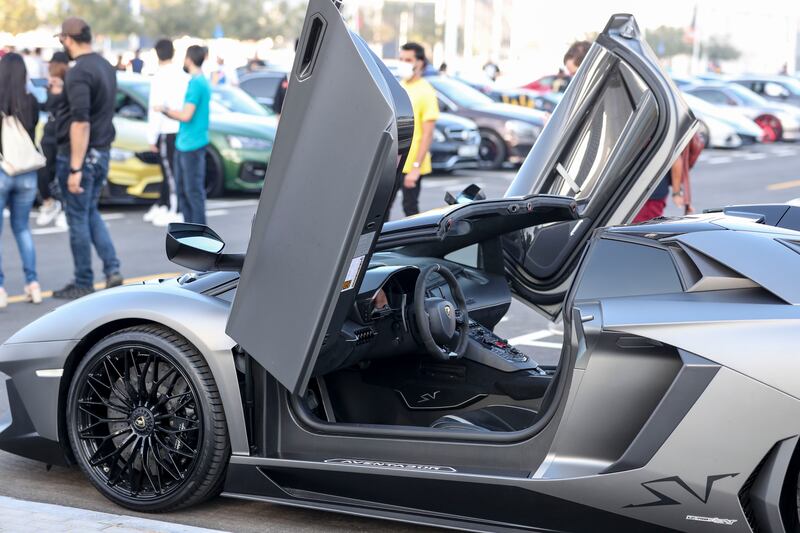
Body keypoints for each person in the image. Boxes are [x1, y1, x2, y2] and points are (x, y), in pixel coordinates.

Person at [54, 17, 123, 299]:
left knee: (78, 218)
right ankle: (112, 268)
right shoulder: (105, 66)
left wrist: (75, 168)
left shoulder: (79, 71)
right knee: (90, 212)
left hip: (81, 156)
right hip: (102, 152)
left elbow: (81, 122)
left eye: (62, 40)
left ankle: (84, 279)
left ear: (68, 39)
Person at [0, 53, 42, 308]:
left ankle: (1, 289)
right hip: (28, 172)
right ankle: (33, 284)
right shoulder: (31, 101)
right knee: (23, 229)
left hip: (3, 170)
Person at [157, 45, 211, 225]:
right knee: (183, 191)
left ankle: (199, 237)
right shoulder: (197, 81)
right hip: (185, 143)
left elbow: (186, 115)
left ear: (189, 59)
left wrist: (164, 110)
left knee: (192, 192)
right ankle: (190, 235)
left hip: (192, 145)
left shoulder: (197, 83)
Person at [391, 42, 439, 217]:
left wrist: (416, 168)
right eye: (401, 59)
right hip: (393, 162)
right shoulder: (398, 86)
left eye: (408, 59)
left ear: (420, 63)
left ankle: (416, 244)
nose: (403, 63)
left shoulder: (426, 91)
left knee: (410, 209)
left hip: (412, 164)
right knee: (382, 209)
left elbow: (427, 133)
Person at [144, 38, 188, 227]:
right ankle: (164, 205)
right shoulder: (182, 75)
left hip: (167, 129)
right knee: (174, 170)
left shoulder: (159, 77)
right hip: (181, 128)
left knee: (169, 172)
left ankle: (175, 209)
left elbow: (155, 109)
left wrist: (151, 136)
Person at [36, 52, 70, 227]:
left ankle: (65, 209)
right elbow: (41, 103)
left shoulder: (71, 84)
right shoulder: (47, 84)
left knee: (63, 172)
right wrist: (45, 85)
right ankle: (49, 202)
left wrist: (62, 85)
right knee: (42, 171)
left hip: (65, 135)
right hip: (48, 133)